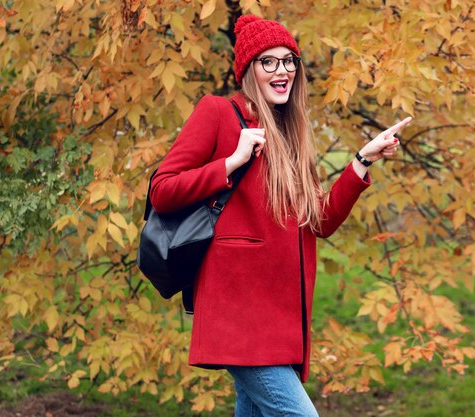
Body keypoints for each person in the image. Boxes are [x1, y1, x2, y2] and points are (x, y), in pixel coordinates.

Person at [149, 14, 412, 417]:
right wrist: (231, 162)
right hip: (239, 312)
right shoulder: (219, 112)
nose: (282, 70)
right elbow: (162, 190)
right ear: (248, 70)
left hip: (280, 316)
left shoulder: (293, 133)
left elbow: (319, 221)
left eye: (289, 60)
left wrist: (362, 160)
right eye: (268, 61)